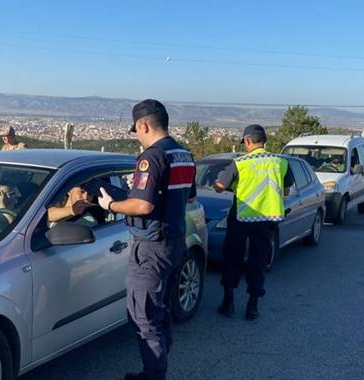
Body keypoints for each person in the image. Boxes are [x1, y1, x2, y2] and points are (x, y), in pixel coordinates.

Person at [97, 99, 196, 380]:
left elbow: (142, 206)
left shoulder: (151, 157)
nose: (138, 136)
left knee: (143, 316)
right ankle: (160, 359)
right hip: (175, 240)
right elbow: (190, 197)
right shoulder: (183, 154)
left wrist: (110, 205)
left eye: (137, 131)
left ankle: (155, 373)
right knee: (159, 307)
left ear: (144, 125)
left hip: (152, 247)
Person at [213, 124, 289, 321]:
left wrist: (219, 183)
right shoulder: (280, 162)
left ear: (247, 141)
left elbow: (220, 187)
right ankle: (252, 307)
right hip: (266, 219)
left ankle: (228, 302)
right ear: (265, 141)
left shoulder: (240, 163)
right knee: (259, 261)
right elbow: (286, 190)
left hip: (241, 216)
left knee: (232, 258)